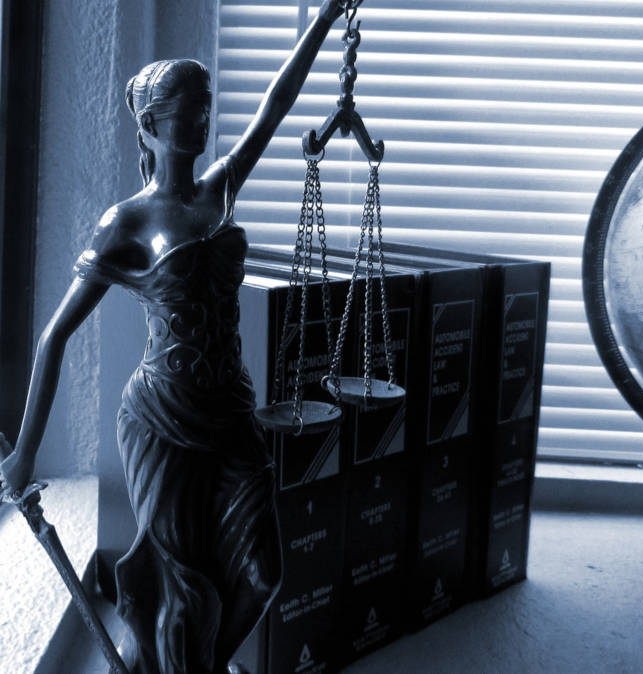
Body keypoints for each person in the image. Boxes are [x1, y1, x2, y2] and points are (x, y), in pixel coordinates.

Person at [0, 1, 352, 671]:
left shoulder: (219, 191)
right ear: (152, 126)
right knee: (182, 590)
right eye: (187, 112)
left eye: (205, 108)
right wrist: (22, 455)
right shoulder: (123, 224)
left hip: (231, 411)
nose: (201, 122)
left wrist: (326, 15)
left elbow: (276, 106)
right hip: (161, 421)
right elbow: (53, 339)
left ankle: (193, 665)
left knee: (261, 574)